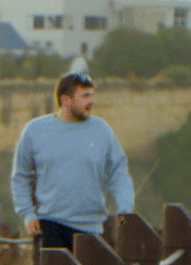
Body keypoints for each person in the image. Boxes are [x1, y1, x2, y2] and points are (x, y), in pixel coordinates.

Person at [11, 72, 135, 250]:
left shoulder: (102, 130)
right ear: (65, 100)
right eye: (85, 96)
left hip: (91, 230)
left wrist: (125, 208)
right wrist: (28, 214)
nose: (91, 101)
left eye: (92, 95)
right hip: (50, 227)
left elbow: (119, 172)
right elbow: (21, 177)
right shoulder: (35, 131)